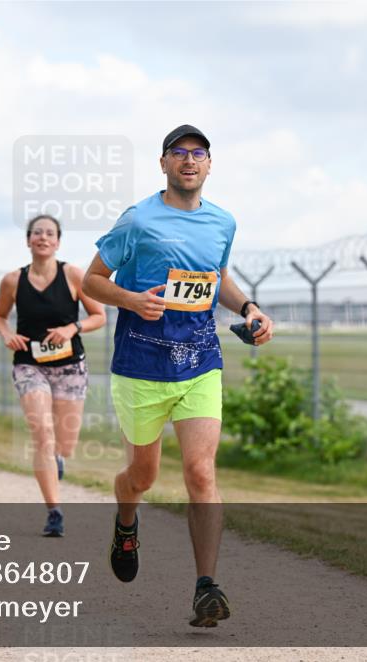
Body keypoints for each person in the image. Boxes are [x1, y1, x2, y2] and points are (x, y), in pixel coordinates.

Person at [82, 125, 274, 627]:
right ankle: (126, 524)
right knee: (141, 477)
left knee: (201, 473)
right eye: (179, 152)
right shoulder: (138, 220)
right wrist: (131, 299)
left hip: (199, 364)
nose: (189, 160)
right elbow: (91, 281)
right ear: (163, 163)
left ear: (209, 164)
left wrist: (249, 308)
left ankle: (206, 587)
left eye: (198, 153)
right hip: (141, 368)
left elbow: (219, 278)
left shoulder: (223, 222)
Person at [0, 214, 106, 537]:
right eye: (37, 233)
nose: (43, 237)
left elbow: (99, 316)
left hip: (70, 366)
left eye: (50, 233)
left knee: (64, 444)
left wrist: (73, 328)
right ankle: (54, 512)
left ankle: (58, 458)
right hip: (29, 364)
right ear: (28, 240)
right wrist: (6, 334)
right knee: (42, 433)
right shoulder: (13, 281)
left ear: (58, 242)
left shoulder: (73, 275)